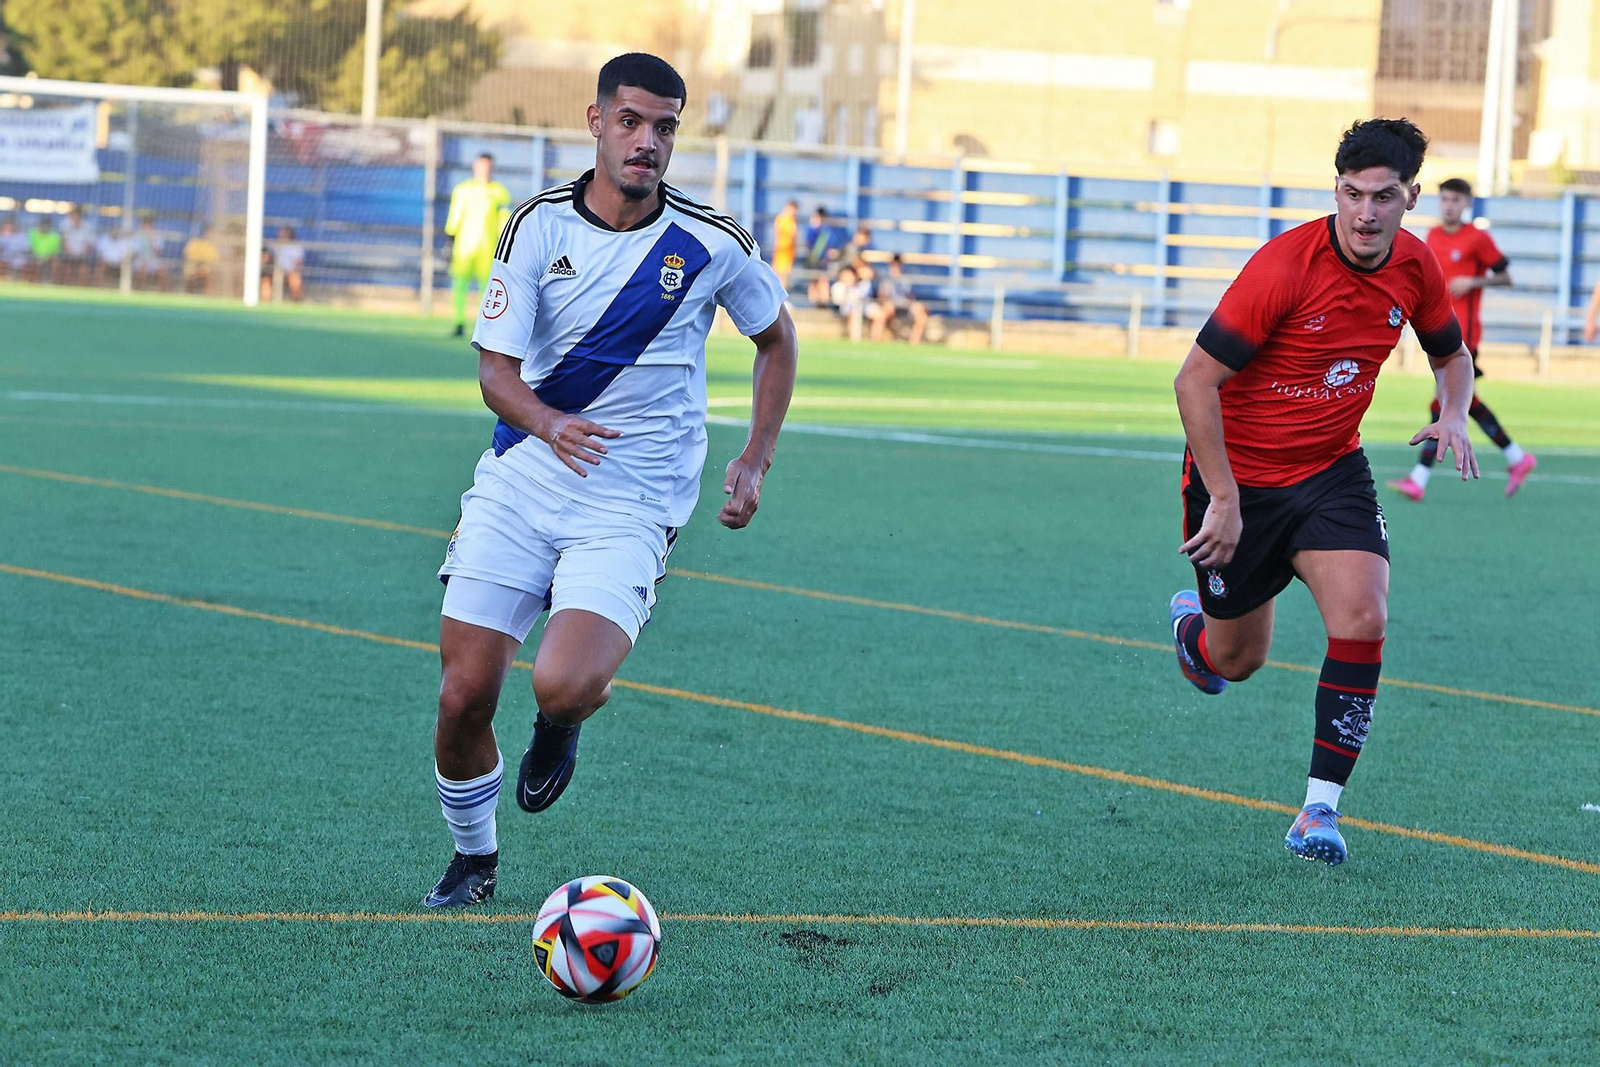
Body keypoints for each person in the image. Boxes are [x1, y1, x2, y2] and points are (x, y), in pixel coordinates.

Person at [423, 52, 798, 908]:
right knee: (461, 695)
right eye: (630, 122)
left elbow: (776, 339)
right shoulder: (537, 225)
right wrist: (549, 423)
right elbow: (495, 373)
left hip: (631, 500)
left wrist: (755, 456)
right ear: (595, 121)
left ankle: (557, 726)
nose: (647, 142)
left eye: (664, 127)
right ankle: (474, 860)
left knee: (565, 680)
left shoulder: (711, 242)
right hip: (523, 476)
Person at [1168, 118, 1478, 869]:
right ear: (1335, 190)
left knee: (1364, 615)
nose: (1365, 212)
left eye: (1384, 196)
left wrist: (1456, 412)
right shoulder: (1284, 267)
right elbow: (1194, 380)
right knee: (1238, 660)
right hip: (1238, 482)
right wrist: (1224, 496)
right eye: (1351, 193)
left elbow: (1452, 353)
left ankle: (1318, 811)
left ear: (1409, 199)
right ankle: (1195, 635)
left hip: (1332, 472)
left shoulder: (1414, 264)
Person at [1388, 178, 1535, 501]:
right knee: (1457, 403)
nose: (1449, 205)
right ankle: (1516, 458)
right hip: (1437, 329)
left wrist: (1474, 281)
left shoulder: (1477, 239)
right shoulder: (1432, 236)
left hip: (1464, 338)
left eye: (1455, 199)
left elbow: (1506, 276)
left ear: (1467, 203)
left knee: (1445, 403)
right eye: (1444, 199)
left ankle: (1419, 478)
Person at [445, 153, 512, 337]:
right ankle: (458, 323)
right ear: (475, 167)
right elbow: (454, 216)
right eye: (481, 166)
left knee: (489, 289)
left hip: (488, 248)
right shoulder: (462, 190)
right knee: (460, 285)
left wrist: (504, 244)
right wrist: (449, 242)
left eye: (488, 167)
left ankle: (486, 326)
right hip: (464, 248)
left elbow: (504, 221)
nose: (485, 170)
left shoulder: (499, 192)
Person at [869, 254, 929, 344]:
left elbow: (910, 296)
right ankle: (875, 340)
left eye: (898, 265)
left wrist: (913, 304)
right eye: (894, 265)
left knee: (921, 314)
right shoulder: (886, 279)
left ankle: (914, 342)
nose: (896, 267)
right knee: (882, 313)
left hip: (904, 305)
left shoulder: (906, 279)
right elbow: (882, 296)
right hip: (890, 305)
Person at [60, 207, 96, 286]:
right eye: (73, 216)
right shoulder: (65, 225)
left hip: (83, 254)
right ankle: (65, 286)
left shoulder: (88, 227)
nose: (74, 219)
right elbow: (63, 242)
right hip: (68, 254)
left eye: (77, 216)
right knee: (66, 265)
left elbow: (90, 244)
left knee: (84, 267)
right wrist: (69, 253)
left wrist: (83, 254)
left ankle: (82, 287)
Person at [129, 218, 166, 290]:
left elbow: (158, 252)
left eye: (149, 226)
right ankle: (138, 291)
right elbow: (135, 253)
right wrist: (143, 262)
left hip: (153, 261)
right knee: (142, 271)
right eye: (145, 226)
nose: (147, 229)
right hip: (139, 260)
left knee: (163, 273)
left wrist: (152, 241)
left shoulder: (156, 236)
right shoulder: (136, 237)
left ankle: (163, 294)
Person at [182, 226, 221, 294]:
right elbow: (188, 255)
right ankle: (188, 295)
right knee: (191, 275)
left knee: (208, 275)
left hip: (205, 269)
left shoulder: (211, 246)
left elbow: (214, 260)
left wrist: (204, 265)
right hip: (193, 267)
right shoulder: (194, 242)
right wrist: (198, 264)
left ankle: (207, 296)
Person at [771, 199, 798, 289]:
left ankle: (783, 297)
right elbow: (778, 235)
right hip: (781, 251)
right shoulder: (781, 219)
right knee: (777, 274)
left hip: (788, 252)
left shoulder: (792, 221)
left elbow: (794, 237)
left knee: (785, 276)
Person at [275, 225, 306, 302]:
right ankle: (266, 303)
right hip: (276, 271)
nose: (281, 235)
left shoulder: (296, 247)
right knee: (265, 280)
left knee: (294, 278)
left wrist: (294, 270)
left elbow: (299, 263)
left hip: (290, 271)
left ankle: (296, 300)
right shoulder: (275, 245)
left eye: (284, 233)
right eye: (280, 233)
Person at [26, 215, 61, 282]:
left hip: (49, 258)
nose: (44, 228)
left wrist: (45, 257)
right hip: (35, 257)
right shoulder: (33, 234)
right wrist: (37, 256)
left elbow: (56, 251)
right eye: (43, 225)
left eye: (46, 226)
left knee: (55, 262)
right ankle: (35, 282)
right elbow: (28, 248)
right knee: (31, 262)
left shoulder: (54, 236)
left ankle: (52, 283)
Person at [0, 216, 29, 280]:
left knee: (19, 261)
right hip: (4, 256)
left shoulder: (21, 235)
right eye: (7, 225)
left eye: (10, 225)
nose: (9, 227)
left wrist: (15, 253)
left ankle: (16, 279)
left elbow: (26, 249)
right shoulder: (2, 234)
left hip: (17, 256)